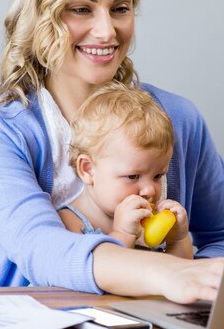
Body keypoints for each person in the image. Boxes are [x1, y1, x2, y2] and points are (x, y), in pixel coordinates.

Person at [0, 0, 224, 304]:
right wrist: (171, 275)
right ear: (43, 14)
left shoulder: (178, 119)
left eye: (120, 8)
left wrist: (195, 278)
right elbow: (41, 248)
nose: (107, 31)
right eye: (81, 9)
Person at [61, 81, 193, 260]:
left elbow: (182, 272)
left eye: (158, 175)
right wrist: (123, 234)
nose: (150, 190)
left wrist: (178, 239)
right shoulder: (71, 223)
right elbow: (97, 276)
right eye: (133, 176)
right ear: (88, 170)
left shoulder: (150, 220)